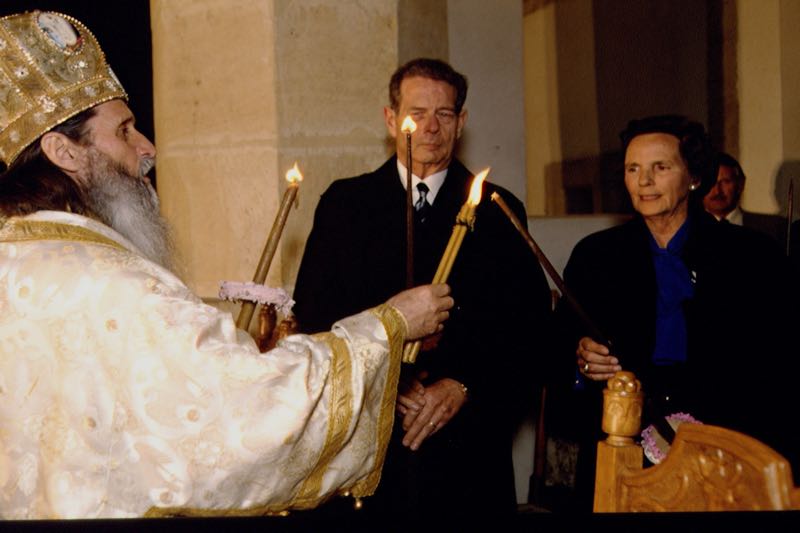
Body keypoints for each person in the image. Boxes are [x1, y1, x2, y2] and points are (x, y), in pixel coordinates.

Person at [0, 11, 454, 519]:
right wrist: (388, 326)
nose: (147, 148)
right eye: (124, 131)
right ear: (63, 151)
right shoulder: (116, 285)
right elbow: (247, 415)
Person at [292, 58, 552, 525]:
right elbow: (315, 318)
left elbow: (528, 331)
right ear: (391, 119)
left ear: (462, 122)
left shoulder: (498, 210)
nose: (431, 128)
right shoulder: (345, 205)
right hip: (370, 449)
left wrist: (464, 386)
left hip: (467, 451)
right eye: (418, 113)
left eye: (445, 114)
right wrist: (387, 384)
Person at [553, 115, 797, 512]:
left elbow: (780, 364)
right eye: (633, 169)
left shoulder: (753, 256)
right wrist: (581, 358)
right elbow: (557, 344)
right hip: (623, 446)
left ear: (694, 177)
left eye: (660, 168)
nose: (643, 181)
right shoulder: (595, 256)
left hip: (726, 445)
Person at [703, 151, 787, 245]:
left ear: (740, 184)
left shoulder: (773, 228)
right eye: (710, 182)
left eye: (725, 181)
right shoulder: (689, 230)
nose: (717, 190)